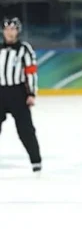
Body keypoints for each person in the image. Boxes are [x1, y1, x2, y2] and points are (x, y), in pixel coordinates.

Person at [0, 17, 41, 174]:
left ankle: (36, 161)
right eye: (7, 29)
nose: (10, 32)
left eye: (13, 29)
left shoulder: (24, 49)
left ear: (18, 31)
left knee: (25, 130)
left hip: (18, 93)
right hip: (0, 92)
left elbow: (30, 72)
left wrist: (31, 93)